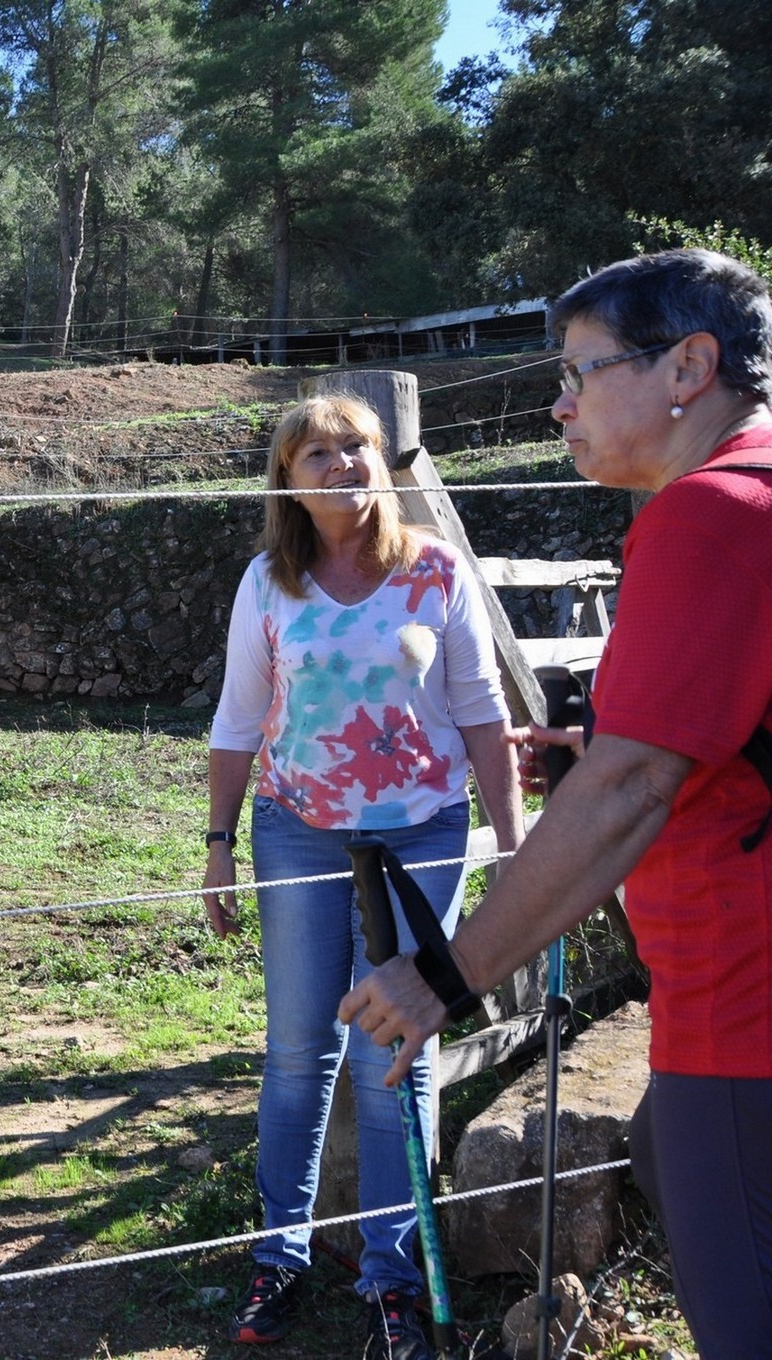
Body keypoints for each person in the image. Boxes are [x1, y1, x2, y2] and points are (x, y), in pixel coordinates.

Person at [341, 248, 772, 1360]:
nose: (558, 403)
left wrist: (444, 976)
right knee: (662, 1157)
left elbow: (630, 792)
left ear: (688, 367)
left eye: (582, 371)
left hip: (743, 1008)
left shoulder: (709, 516)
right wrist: (610, 751)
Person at [203, 393, 523, 1357]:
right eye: (318, 453)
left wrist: (514, 848)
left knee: (395, 1055)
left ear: (383, 460)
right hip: (296, 832)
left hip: (420, 833)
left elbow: (482, 711)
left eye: (357, 447)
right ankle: (280, 1256)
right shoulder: (268, 582)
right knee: (298, 1051)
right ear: (286, 481)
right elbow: (237, 720)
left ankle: (392, 1274)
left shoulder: (435, 569)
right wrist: (218, 844)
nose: (342, 464)